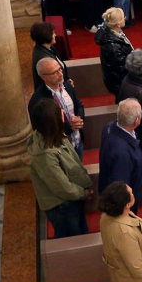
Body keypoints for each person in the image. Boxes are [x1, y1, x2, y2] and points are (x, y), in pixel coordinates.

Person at [28, 99, 93, 238]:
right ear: (53, 120)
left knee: (82, 236)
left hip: (72, 199)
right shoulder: (44, 155)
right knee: (73, 242)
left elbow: (73, 161)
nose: (63, 112)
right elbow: (62, 187)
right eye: (59, 111)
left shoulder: (56, 134)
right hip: (63, 206)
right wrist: (83, 193)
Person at [30, 57, 85, 158]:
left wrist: (79, 119)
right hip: (60, 149)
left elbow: (79, 105)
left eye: (60, 69)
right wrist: (70, 127)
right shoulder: (39, 101)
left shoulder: (67, 86)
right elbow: (44, 129)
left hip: (77, 141)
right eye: (54, 72)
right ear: (43, 77)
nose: (60, 74)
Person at [96, 8, 134, 96]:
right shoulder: (113, 46)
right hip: (121, 83)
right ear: (118, 24)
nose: (125, 18)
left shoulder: (117, 33)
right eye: (123, 17)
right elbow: (122, 68)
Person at [29, 21, 67, 91]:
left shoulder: (49, 47)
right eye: (53, 33)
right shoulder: (44, 58)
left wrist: (68, 79)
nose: (55, 35)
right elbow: (53, 80)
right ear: (46, 36)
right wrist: (67, 86)